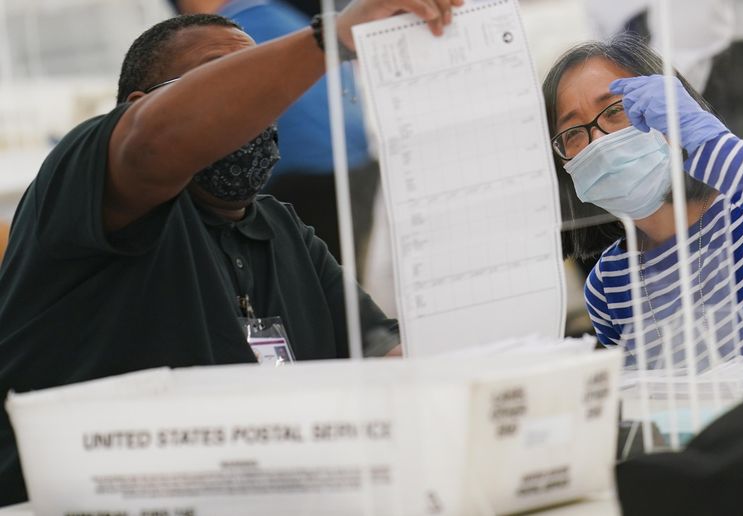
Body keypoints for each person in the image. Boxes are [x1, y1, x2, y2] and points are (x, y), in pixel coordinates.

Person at [0, 0, 459, 504]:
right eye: (225, 79)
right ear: (137, 103)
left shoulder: (282, 229)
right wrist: (331, 38)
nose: (255, 110)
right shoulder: (88, 178)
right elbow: (150, 143)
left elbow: (381, 353)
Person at [542, 34, 743, 357]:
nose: (599, 141)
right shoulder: (608, 286)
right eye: (572, 133)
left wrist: (705, 138)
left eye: (615, 111)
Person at [170, 0, 380, 269]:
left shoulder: (223, 35)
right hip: (356, 166)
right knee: (338, 283)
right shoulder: (281, 16)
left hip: (304, 179)